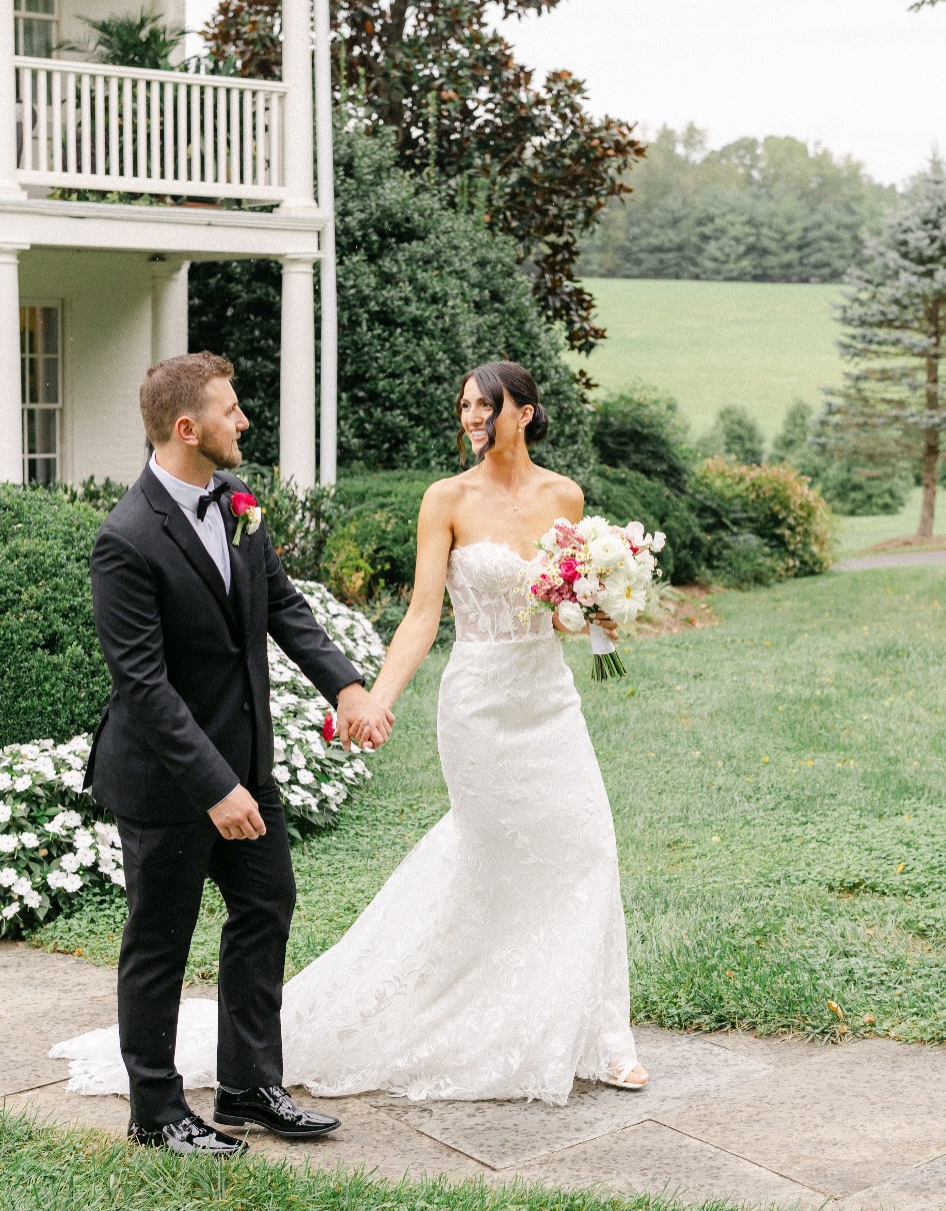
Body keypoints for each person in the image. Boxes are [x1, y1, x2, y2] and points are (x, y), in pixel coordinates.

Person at [280, 360, 648, 1101]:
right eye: (465, 406)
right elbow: (422, 612)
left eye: (486, 405)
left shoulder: (563, 495)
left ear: (524, 412)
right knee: (491, 860)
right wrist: (375, 698)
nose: (472, 417)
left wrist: (599, 609)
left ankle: (603, 1036)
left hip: (548, 698)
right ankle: (465, 1012)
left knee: (586, 846)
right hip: (478, 703)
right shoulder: (445, 499)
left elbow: (561, 602)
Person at [85, 352, 393, 1158]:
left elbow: (282, 607)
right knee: (160, 939)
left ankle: (248, 1085)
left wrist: (348, 687)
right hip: (166, 780)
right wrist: (216, 787)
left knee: (264, 907)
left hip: (247, 763)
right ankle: (154, 1107)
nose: (243, 420)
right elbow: (143, 687)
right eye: (230, 410)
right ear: (187, 428)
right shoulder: (124, 540)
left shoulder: (237, 502)